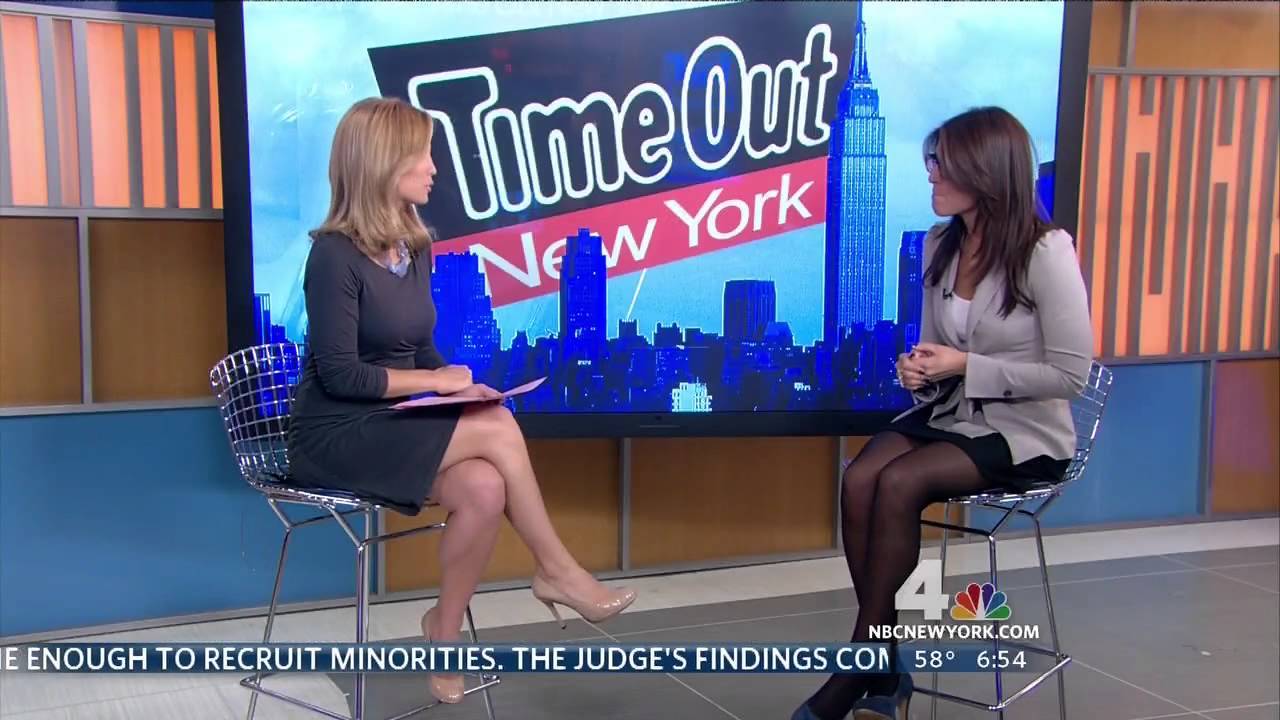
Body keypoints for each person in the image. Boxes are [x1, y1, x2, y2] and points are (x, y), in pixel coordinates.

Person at [286, 97, 636, 705]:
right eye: (422, 155)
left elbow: (418, 346)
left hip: (395, 422)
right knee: (496, 426)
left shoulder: (413, 247)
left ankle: (442, 632)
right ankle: (557, 570)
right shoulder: (333, 256)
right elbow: (340, 376)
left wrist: (454, 380)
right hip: (336, 433)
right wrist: (438, 383)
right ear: (383, 161)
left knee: (484, 487)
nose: (433, 168)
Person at [792, 106, 1093, 720]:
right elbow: (937, 351)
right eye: (932, 161)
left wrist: (966, 366)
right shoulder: (940, 243)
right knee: (860, 477)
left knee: (901, 481)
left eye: (943, 164)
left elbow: (1070, 375)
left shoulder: (1046, 251)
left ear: (986, 172)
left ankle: (860, 666)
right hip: (951, 416)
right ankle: (882, 662)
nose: (931, 173)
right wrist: (921, 371)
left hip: (1024, 432)